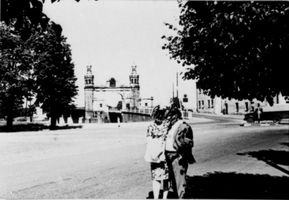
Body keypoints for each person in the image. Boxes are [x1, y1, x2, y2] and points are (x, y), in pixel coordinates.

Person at [165, 104, 196, 198]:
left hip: (177, 156)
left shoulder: (183, 126)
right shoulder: (171, 125)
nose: (167, 118)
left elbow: (189, 142)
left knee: (179, 180)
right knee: (172, 180)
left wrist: (183, 154)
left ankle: (182, 197)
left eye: (169, 116)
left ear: (175, 116)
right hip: (168, 155)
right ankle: (176, 196)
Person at [144, 105, 170, 199]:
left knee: (156, 178)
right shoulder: (167, 126)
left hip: (154, 156)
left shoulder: (150, 126)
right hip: (164, 156)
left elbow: (148, 140)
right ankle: (164, 198)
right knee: (166, 178)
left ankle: (156, 198)